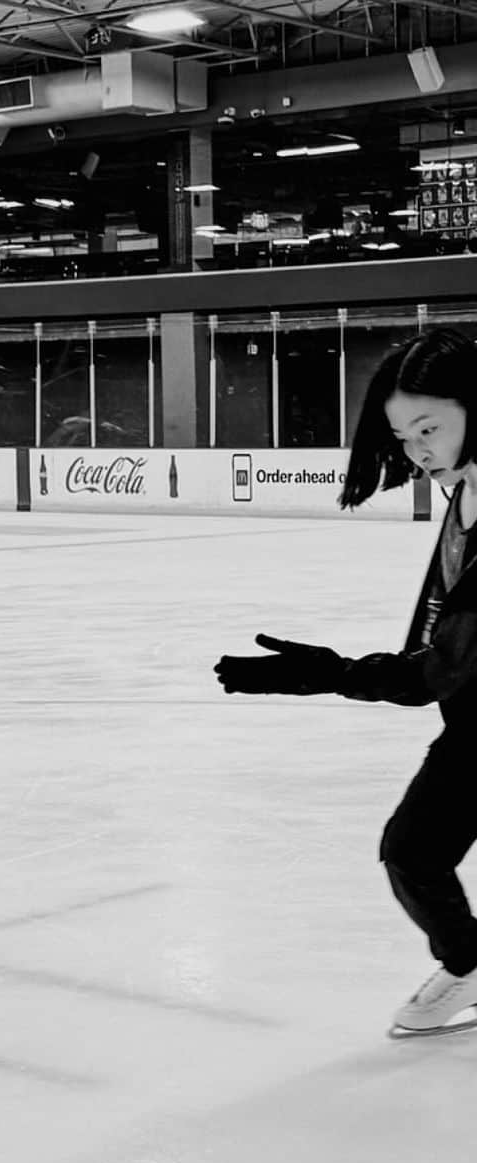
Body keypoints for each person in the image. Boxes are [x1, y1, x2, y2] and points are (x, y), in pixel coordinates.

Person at [214, 327, 477, 1037]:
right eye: (403, 434)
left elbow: (443, 667)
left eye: (430, 426)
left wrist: (330, 675)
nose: (417, 448)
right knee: (413, 852)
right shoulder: (464, 498)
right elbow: (436, 645)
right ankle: (470, 963)